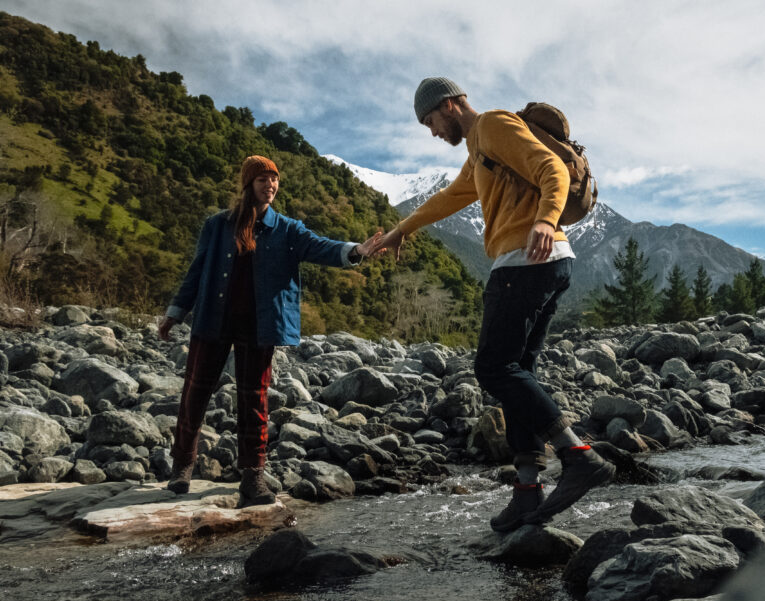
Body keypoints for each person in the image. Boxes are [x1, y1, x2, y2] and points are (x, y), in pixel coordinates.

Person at [375, 78, 614, 531]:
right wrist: (400, 230)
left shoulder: (492, 125)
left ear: (449, 105)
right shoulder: (479, 149)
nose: (431, 132)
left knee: (494, 368)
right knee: (518, 371)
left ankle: (578, 455)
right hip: (543, 263)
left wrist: (544, 219)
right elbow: (449, 199)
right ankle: (527, 491)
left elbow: (552, 169)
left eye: (430, 121)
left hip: (526, 260)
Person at [158, 155, 381, 507]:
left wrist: (356, 251)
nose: (270, 185)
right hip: (212, 319)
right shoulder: (217, 226)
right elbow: (196, 271)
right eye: (263, 179)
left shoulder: (288, 229)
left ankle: (253, 476)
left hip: (259, 325)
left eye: (274, 179)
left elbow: (319, 246)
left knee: (254, 399)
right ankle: (182, 467)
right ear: (249, 184)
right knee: (195, 394)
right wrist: (174, 314)